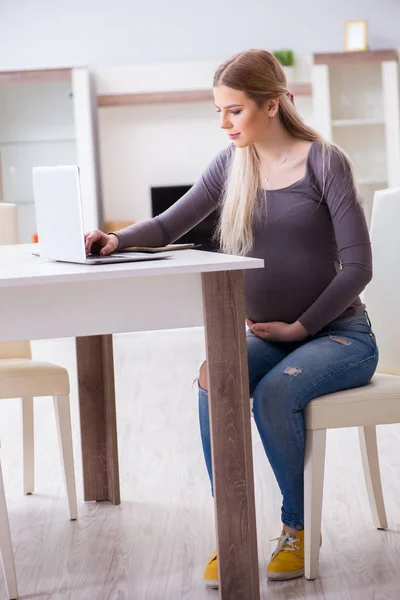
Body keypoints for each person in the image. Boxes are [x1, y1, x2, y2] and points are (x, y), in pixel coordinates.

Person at [85, 49, 378, 588]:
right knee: (211, 376)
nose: (223, 123)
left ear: (273, 105)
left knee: (273, 394)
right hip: (274, 335)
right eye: (218, 110)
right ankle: (234, 526)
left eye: (234, 111)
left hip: (339, 337)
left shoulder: (325, 162)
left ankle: (296, 528)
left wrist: (302, 327)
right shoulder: (232, 164)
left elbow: (360, 268)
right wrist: (115, 239)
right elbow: (170, 223)